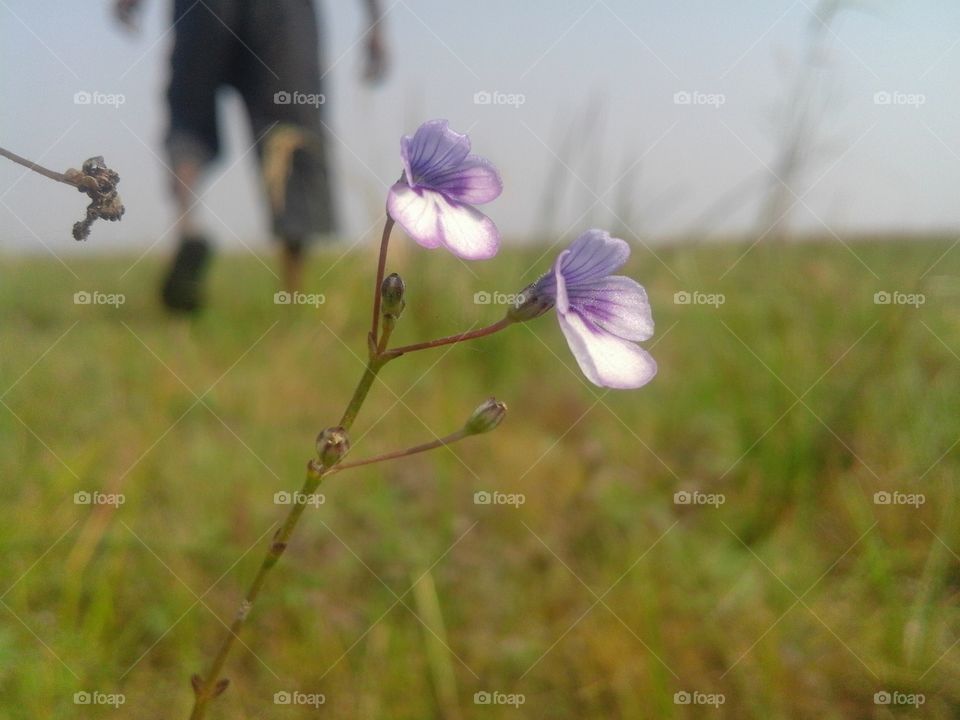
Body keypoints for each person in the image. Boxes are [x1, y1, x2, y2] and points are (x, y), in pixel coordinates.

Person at [115, 0, 387, 312]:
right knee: (290, 132)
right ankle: (293, 291)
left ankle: (188, 229)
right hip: (282, 13)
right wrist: (375, 22)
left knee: (189, 118)